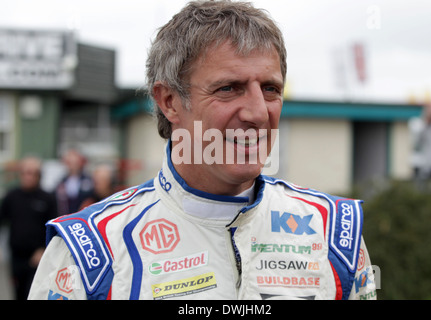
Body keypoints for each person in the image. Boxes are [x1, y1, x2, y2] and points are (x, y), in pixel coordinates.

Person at [28, 0, 376, 300]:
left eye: (270, 88)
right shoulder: (89, 251)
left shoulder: (335, 233)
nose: (258, 112)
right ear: (169, 101)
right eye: (228, 88)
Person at [0, 156, 57, 300]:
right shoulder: (12, 196)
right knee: (17, 293)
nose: (27, 176)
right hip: (16, 256)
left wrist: (43, 249)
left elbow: (54, 228)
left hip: (37, 257)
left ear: (38, 175)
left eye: (32, 173)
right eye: (25, 173)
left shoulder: (47, 198)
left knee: (33, 293)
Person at [54, 149, 93, 216]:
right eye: (70, 163)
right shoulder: (61, 182)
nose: (72, 166)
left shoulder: (88, 181)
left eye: (75, 162)